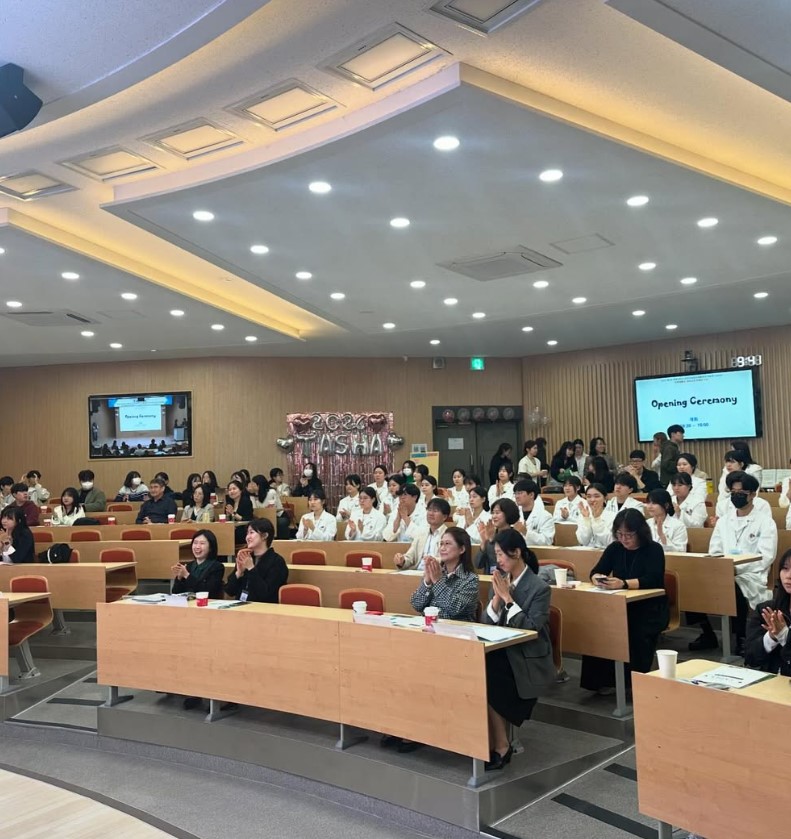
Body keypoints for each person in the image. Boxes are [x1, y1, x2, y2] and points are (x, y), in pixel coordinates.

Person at [483, 529, 555, 770]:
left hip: (527, 656)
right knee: (478, 667)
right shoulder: (501, 581)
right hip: (502, 651)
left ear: (517, 552)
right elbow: (485, 625)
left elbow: (532, 628)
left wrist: (508, 599)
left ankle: (501, 745)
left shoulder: (539, 587)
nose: (498, 560)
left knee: (490, 674)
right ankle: (489, 740)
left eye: (502, 554)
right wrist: (496, 600)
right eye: (496, 554)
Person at [581, 509, 668, 693]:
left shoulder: (653, 549)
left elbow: (653, 579)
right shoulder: (615, 548)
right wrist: (599, 579)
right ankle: (602, 681)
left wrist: (624, 583)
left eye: (629, 535)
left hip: (649, 607)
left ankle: (631, 683)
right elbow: (596, 571)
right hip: (620, 604)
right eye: (620, 534)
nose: (624, 539)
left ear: (640, 532)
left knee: (634, 630)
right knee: (598, 626)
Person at [693, 472, 778, 655]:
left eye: (741, 493)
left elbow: (766, 556)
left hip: (751, 574)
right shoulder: (724, 521)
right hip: (724, 570)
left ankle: (740, 637)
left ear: (752, 494)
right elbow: (714, 549)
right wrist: (724, 567)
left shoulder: (765, 522)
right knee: (693, 583)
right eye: (733, 492)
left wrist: (737, 569)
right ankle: (707, 632)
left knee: (733, 587)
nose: (736, 496)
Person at [410, 526, 479, 621]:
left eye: (447, 544)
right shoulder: (436, 571)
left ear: (462, 549)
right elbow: (416, 605)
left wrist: (437, 582)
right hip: (429, 626)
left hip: (455, 628)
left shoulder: (470, 579)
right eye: (441, 544)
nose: (442, 548)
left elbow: (455, 609)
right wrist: (427, 582)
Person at [745, 548, 791, 675]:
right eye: (785, 568)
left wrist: (784, 635)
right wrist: (771, 637)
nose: (788, 576)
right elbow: (751, 658)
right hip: (771, 681)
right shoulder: (767, 610)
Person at [225, 519, 288, 603]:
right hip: (241, 606)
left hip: (263, 608)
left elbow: (265, 594)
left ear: (265, 536)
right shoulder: (246, 557)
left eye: (251, 532)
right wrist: (239, 573)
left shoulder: (277, 562)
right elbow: (229, 591)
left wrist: (251, 568)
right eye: (247, 533)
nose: (247, 537)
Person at [394, 498, 450, 570]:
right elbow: (410, 557)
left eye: (435, 511)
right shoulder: (421, 533)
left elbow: (449, 559)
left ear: (444, 517)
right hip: (418, 572)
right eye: (429, 510)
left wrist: (434, 560)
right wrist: (402, 560)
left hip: (436, 573)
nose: (431, 513)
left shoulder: (448, 535)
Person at [172, 530, 224, 600]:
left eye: (202, 543)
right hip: (188, 604)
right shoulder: (188, 566)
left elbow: (207, 591)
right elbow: (175, 593)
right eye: (195, 543)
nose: (197, 547)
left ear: (211, 547)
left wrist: (187, 575)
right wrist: (179, 577)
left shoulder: (217, 567)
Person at [477, 498, 520, 573]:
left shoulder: (514, 536)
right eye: (493, 513)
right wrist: (484, 541)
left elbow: (501, 564)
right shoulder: (490, 533)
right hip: (488, 577)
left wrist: (492, 540)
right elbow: (478, 564)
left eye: (497, 513)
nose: (494, 516)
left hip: (506, 577)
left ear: (508, 513)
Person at [513, 480, 555, 546]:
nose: (516, 496)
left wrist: (526, 532)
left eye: (520, 493)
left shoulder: (545, 516)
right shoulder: (513, 514)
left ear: (531, 495)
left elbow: (547, 541)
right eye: (515, 493)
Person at [576, 484, 614, 548]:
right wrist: (586, 519)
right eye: (589, 496)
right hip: (587, 552)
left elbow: (610, 542)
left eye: (597, 496)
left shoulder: (613, 516)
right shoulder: (583, 515)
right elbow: (583, 541)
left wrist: (597, 519)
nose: (592, 500)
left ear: (605, 498)